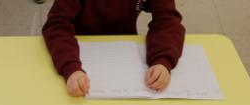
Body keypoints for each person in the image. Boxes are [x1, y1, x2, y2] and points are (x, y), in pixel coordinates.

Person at [42, 0, 185, 97]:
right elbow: (57, 24)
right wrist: (70, 67)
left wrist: (162, 60)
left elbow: (167, 19)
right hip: (78, 49)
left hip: (124, 55)